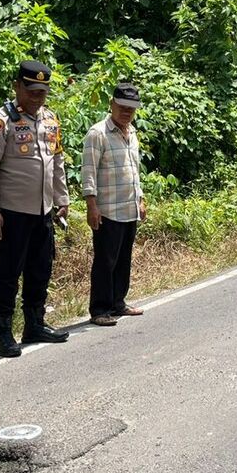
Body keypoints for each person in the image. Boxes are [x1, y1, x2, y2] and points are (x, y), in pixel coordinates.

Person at [0, 60, 71, 357]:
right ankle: (3, 334)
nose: (37, 97)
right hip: (12, 212)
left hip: (43, 210)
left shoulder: (50, 119)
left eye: (42, 91)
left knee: (40, 269)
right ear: (17, 86)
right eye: (31, 90)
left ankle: (34, 324)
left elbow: (57, 162)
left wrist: (63, 198)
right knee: (7, 273)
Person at [82, 82, 147, 326]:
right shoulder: (98, 133)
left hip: (128, 207)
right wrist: (91, 205)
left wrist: (140, 199)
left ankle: (118, 303)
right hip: (107, 209)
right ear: (111, 104)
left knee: (123, 258)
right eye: (122, 106)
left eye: (131, 108)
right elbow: (88, 171)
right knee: (105, 260)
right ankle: (99, 309)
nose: (126, 112)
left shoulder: (132, 133)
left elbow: (135, 171)